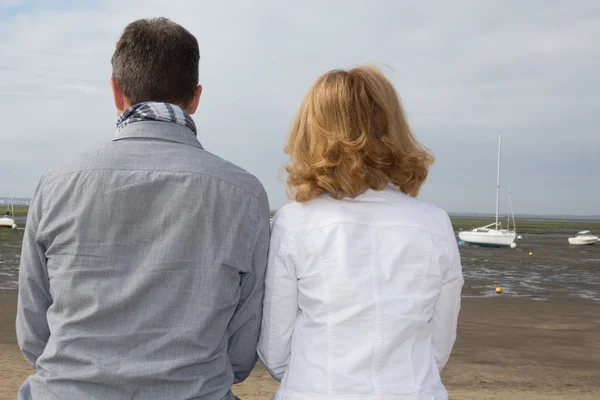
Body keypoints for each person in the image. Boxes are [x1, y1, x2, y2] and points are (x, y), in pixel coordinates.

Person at [17, 18, 269, 400]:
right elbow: (241, 347)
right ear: (195, 97)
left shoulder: (56, 183)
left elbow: (34, 335)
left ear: (116, 92)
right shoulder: (245, 193)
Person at [258, 66, 463, 400]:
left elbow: (275, 349)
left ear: (311, 132)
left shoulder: (294, 222)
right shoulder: (434, 223)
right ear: (393, 127)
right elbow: (439, 346)